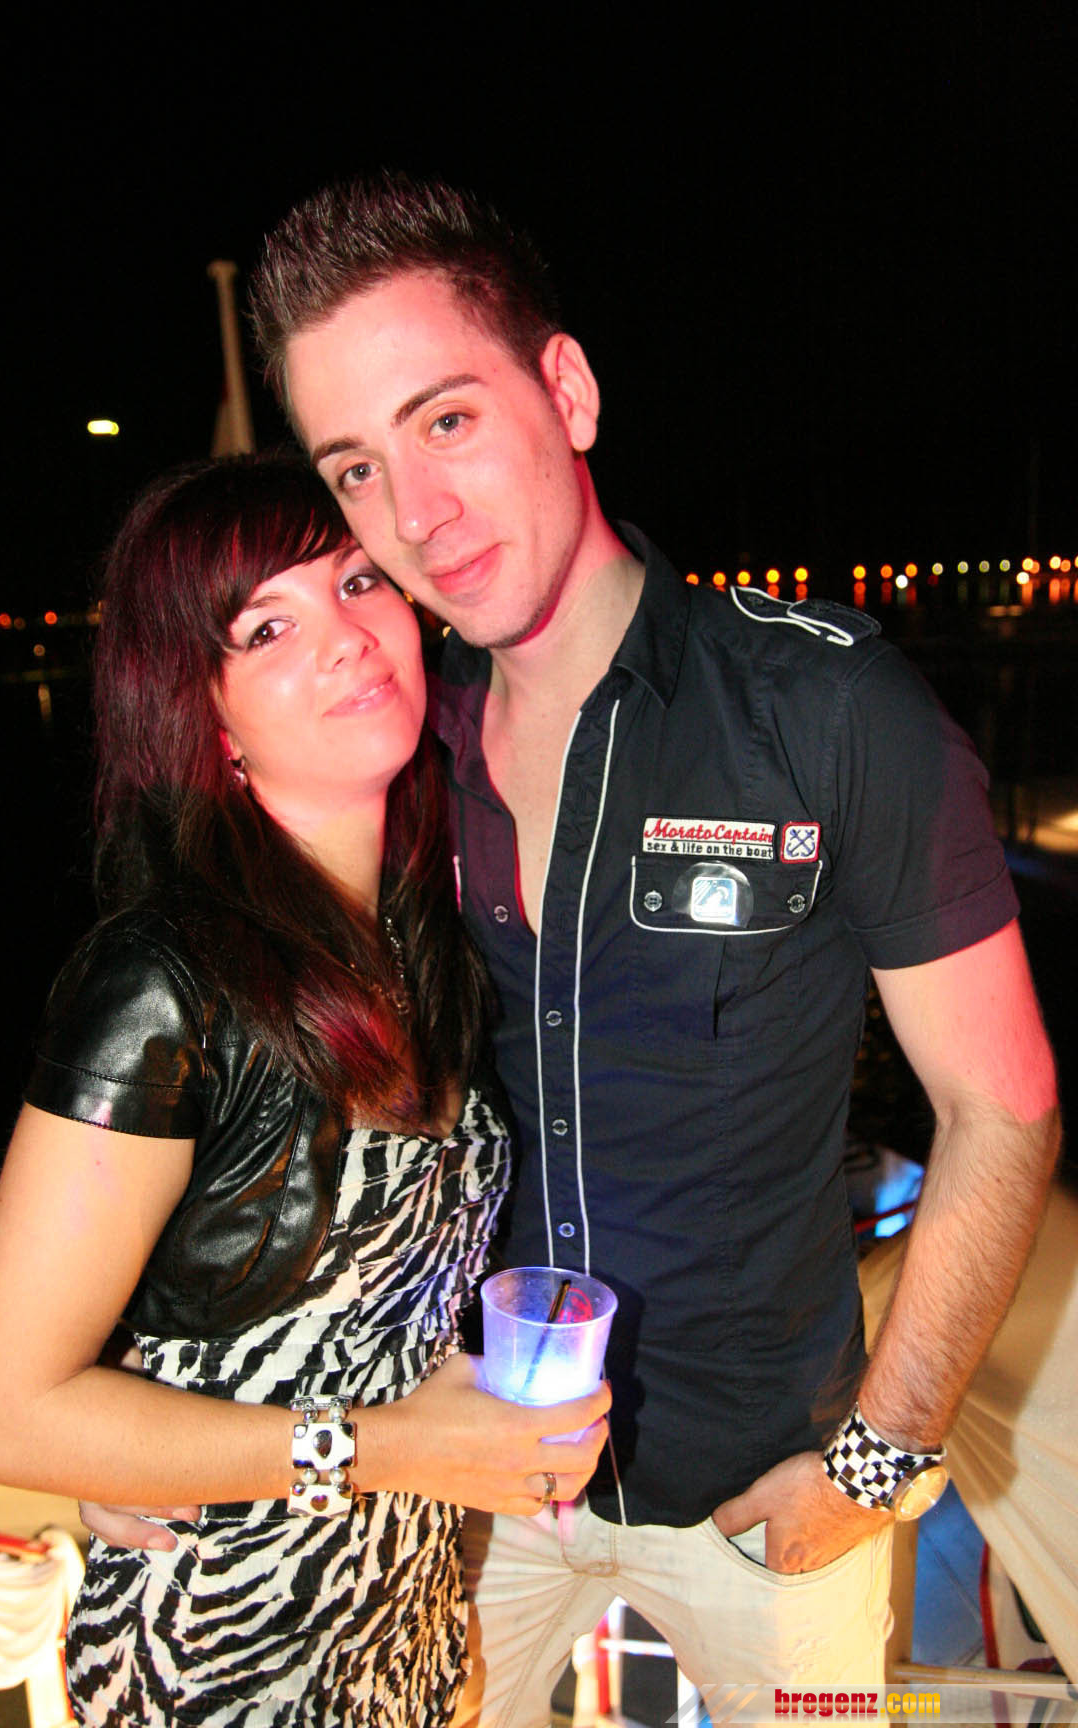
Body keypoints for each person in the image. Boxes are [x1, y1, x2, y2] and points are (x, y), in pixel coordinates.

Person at [88, 176, 1060, 1718]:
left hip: (774, 1493)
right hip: (465, 1496)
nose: (416, 514)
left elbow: (1001, 1109)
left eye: (448, 420)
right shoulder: (393, 752)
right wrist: (142, 1395)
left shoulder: (823, 711)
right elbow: (240, 1060)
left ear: (569, 392)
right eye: (357, 468)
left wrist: (876, 1464)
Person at [0, 455, 609, 1728]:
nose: (347, 637)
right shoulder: (167, 981)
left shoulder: (431, 936)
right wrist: (388, 1447)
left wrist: (436, 1619)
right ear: (207, 719)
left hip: (409, 1636)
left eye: (358, 581)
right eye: (266, 628)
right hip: (222, 1657)